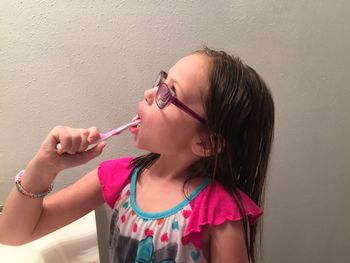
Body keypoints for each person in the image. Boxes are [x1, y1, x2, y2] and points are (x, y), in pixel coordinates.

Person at [0, 47, 274, 263]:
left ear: (206, 143)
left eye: (169, 93)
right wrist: (43, 168)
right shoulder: (118, 178)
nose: (149, 93)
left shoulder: (219, 213)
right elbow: (13, 234)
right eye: (161, 81)